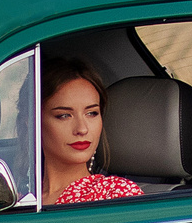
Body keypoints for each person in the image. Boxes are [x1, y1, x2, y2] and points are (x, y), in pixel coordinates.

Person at [40, 56, 142, 207]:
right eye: (64, 115)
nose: (82, 129)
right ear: (32, 121)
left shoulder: (116, 194)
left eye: (92, 113)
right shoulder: (16, 199)